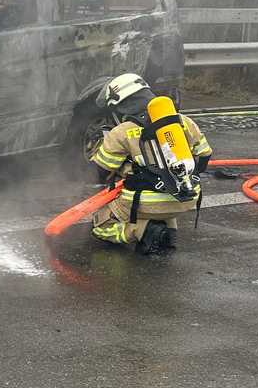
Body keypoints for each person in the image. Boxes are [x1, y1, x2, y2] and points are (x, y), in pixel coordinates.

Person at [89, 73, 212, 254]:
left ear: (121, 106)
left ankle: (142, 230)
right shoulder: (182, 121)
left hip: (143, 202)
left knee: (101, 225)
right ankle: (169, 230)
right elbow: (204, 158)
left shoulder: (122, 132)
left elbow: (100, 172)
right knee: (164, 199)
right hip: (186, 196)